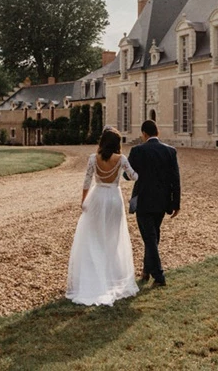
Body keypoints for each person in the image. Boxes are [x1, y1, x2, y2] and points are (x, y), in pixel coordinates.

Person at [66, 127, 139, 306]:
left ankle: (94, 277)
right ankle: (112, 276)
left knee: (95, 237)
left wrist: (84, 201)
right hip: (114, 198)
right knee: (113, 238)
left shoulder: (93, 158)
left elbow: (86, 181)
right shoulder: (121, 159)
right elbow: (134, 176)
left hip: (97, 197)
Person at [127, 120, 181, 287]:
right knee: (153, 237)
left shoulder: (137, 151)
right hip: (162, 201)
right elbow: (175, 180)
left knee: (150, 238)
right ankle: (146, 272)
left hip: (143, 201)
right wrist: (176, 203)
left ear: (144, 134)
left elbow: (128, 175)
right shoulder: (170, 151)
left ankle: (159, 277)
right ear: (158, 133)